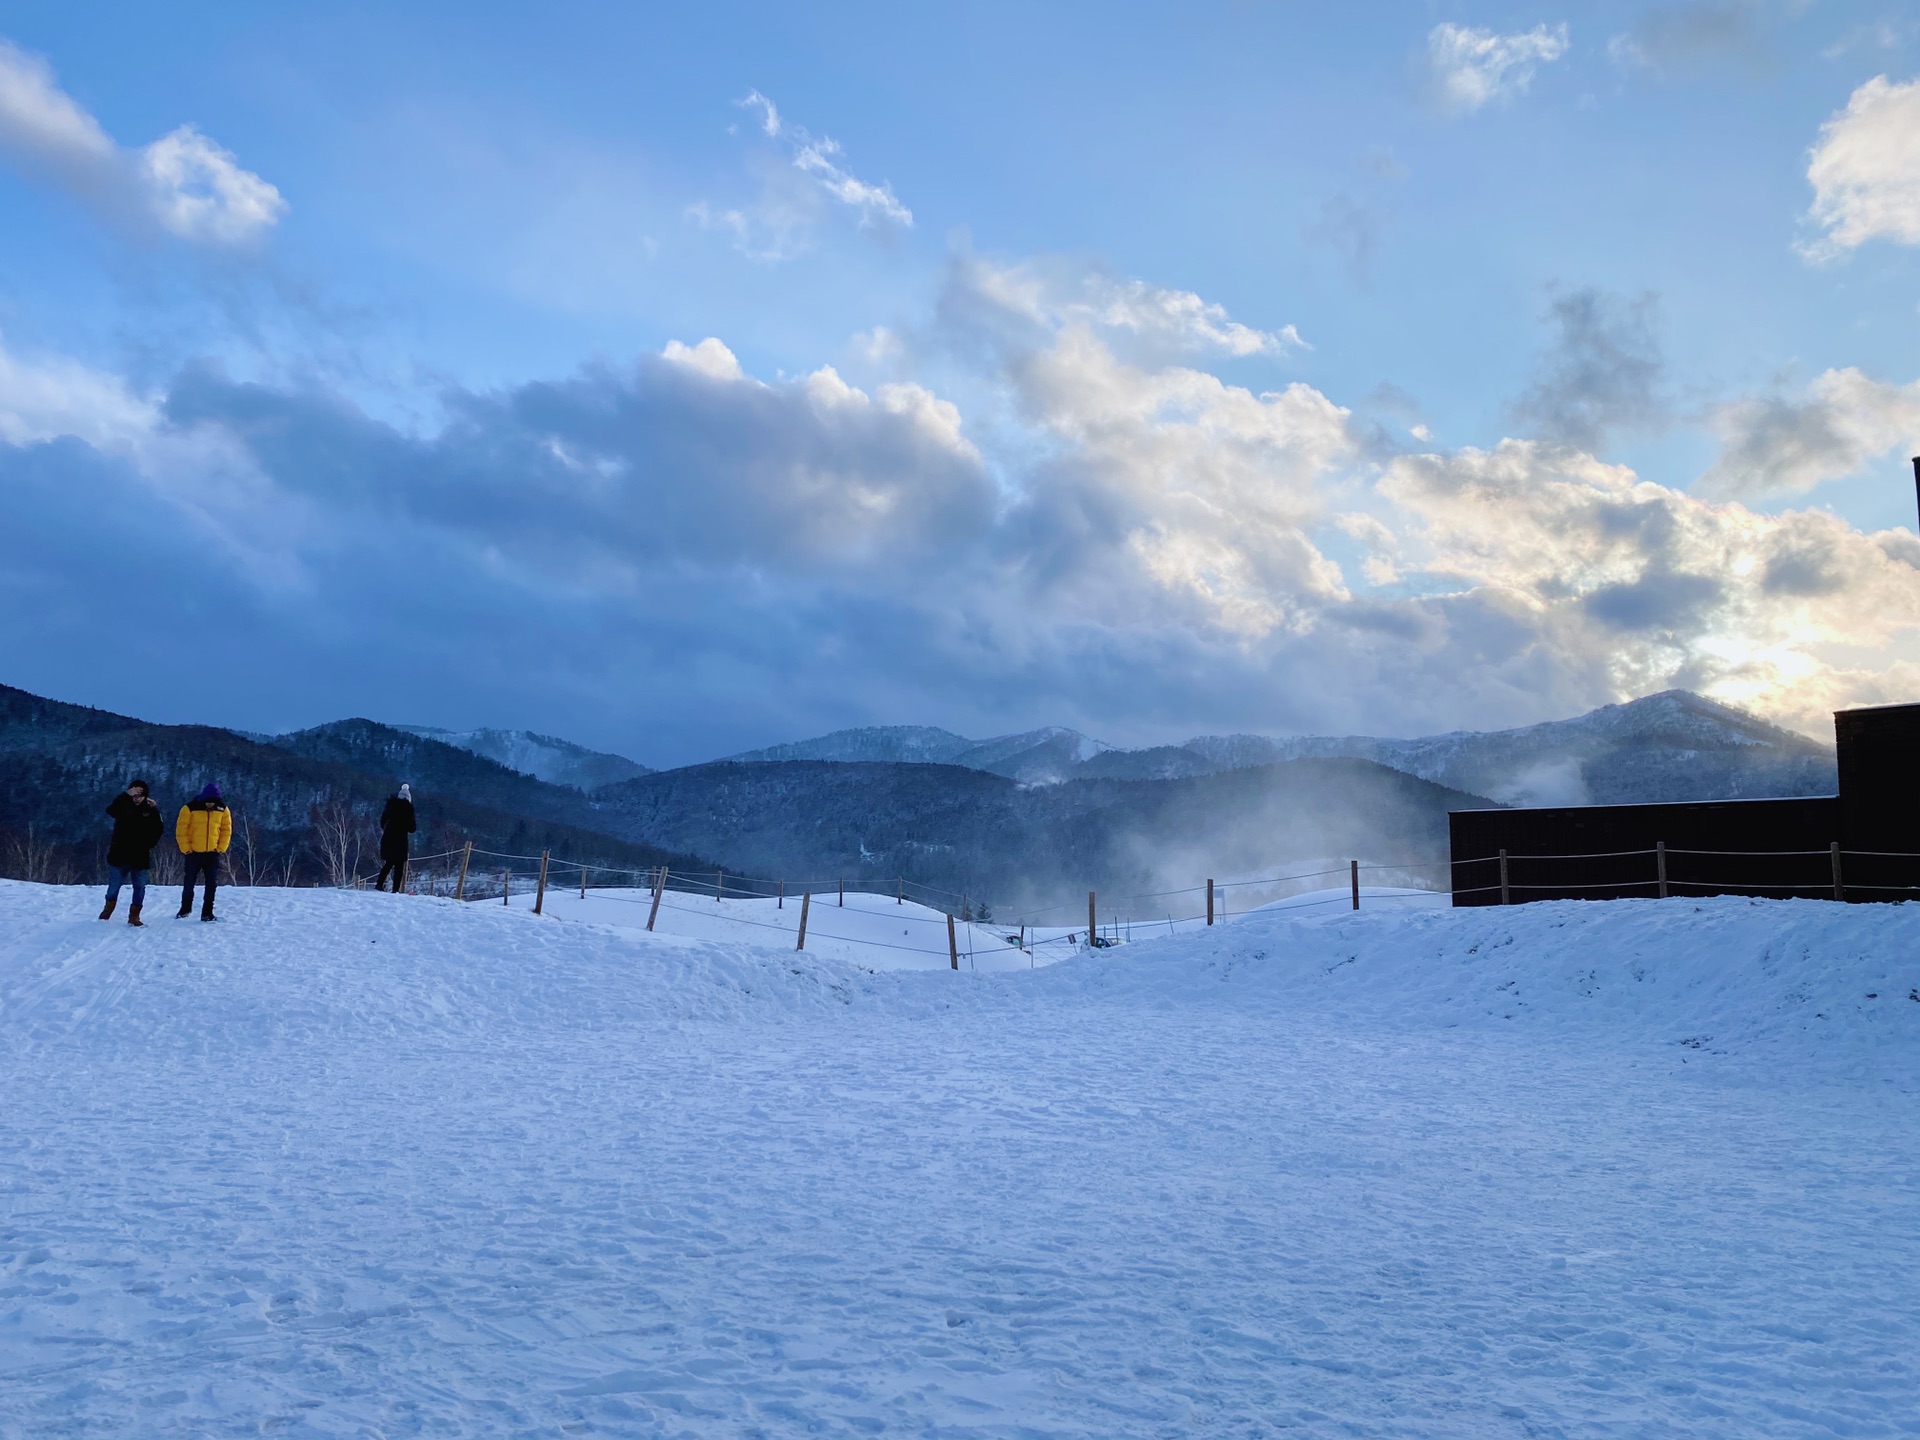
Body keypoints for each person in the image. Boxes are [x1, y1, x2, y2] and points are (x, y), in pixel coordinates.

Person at [100, 778, 165, 926]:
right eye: (134, 795)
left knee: (140, 887)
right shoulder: (122, 806)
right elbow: (110, 810)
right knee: (113, 886)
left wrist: (148, 845)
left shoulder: (151, 810)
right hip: (119, 854)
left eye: (140, 795)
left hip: (140, 857)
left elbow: (158, 829)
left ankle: (134, 916)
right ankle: (107, 910)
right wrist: (125, 795)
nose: (137, 799)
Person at [175, 783, 232, 921]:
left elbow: (226, 830)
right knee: (189, 882)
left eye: (213, 802)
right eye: (208, 802)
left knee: (211, 884)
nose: (210, 804)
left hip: (212, 853)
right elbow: (181, 830)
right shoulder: (189, 808)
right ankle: (185, 909)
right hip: (193, 852)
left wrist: (220, 848)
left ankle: (207, 912)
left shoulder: (223, 810)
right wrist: (186, 849)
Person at [376, 783, 417, 892]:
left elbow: (382, 822)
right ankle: (395, 890)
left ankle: (379, 885)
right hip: (401, 841)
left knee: (388, 864)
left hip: (388, 839)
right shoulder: (408, 809)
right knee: (399, 867)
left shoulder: (390, 807)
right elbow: (412, 828)